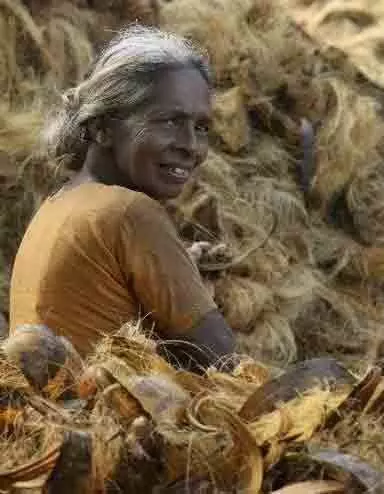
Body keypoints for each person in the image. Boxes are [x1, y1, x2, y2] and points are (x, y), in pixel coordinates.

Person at [8, 25, 236, 373]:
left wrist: (182, 272)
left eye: (201, 127)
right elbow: (225, 362)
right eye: (169, 121)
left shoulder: (55, 206)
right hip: (102, 423)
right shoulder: (130, 213)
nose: (191, 146)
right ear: (103, 128)